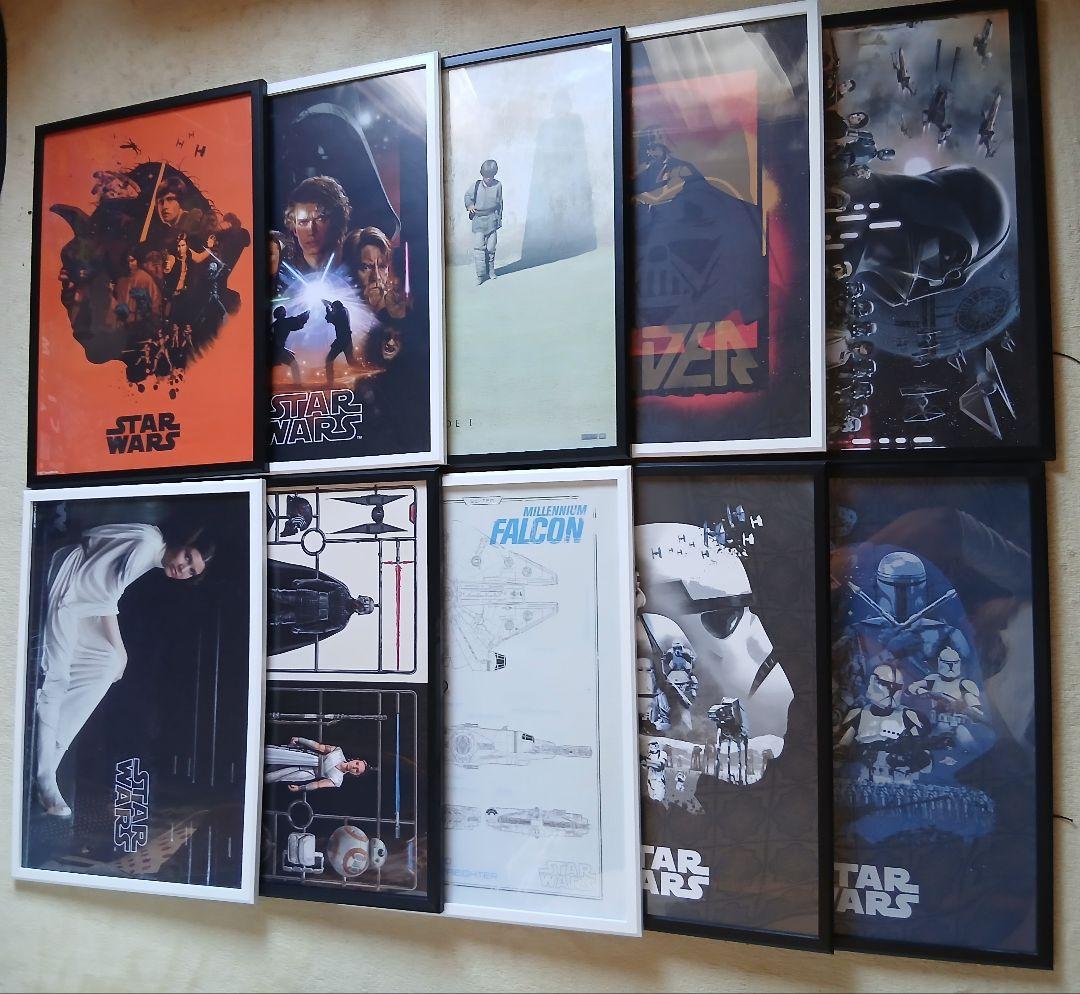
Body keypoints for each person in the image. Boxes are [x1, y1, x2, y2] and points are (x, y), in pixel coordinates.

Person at [34, 524, 214, 817]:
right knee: (60, 676)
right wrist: (122, 652)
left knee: (105, 664)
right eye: (187, 556)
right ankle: (45, 776)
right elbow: (105, 595)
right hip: (68, 587)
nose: (183, 568)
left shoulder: (152, 553)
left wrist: (116, 656)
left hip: (84, 600)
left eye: (191, 571)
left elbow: (104, 596)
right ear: (183, 541)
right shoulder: (146, 544)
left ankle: (49, 756)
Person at [268, 568, 375, 653]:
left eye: (363, 608)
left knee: (277, 618)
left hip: (304, 616)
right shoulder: (343, 591)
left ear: (360, 613)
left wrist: (302, 629)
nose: (360, 605)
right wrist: (303, 582)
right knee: (276, 594)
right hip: (304, 597)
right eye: (363, 601)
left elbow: (321, 628)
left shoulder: (342, 621)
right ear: (361, 596)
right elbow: (321, 583)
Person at [283, 175, 351, 274]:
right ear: (294, 230)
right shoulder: (284, 274)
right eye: (303, 222)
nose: (311, 230)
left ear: (336, 222)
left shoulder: (357, 267)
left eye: (320, 219)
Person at [342, 226, 407, 320]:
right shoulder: (338, 310)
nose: (376, 277)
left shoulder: (398, 311)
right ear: (350, 269)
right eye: (367, 267)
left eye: (382, 266)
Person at [264, 736, 368, 792]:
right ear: (355, 760)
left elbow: (318, 785)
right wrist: (300, 739)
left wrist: (301, 788)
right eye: (357, 763)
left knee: (276, 776)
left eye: (357, 770)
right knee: (276, 754)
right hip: (308, 758)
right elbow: (318, 746)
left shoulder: (338, 780)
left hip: (309, 773)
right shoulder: (338, 752)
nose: (354, 767)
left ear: (356, 774)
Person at [465, 159, 502, 285]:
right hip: (479, 221)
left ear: (494, 174)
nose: (488, 179)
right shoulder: (476, 186)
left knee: (491, 248)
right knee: (479, 249)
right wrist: (470, 205)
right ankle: (480, 276)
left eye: (491, 176)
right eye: (486, 176)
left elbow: (500, 203)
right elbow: (467, 197)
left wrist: (499, 220)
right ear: (482, 174)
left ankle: (491, 271)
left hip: (492, 219)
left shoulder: (498, 185)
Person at [270, 306, 309, 385]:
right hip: (278, 350)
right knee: (294, 364)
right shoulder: (285, 322)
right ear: (281, 313)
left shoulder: (274, 325)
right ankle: (297, 384)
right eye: (283, 310)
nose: (285, 311)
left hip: (272, 349)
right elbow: (298, 322)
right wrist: (306, 314)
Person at [323, 299, 356, 385]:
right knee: (351, 361)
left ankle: (330, 383)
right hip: (347, 340)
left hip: (341, 341)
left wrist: (327, 307)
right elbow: (334, 313)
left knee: (329, 360)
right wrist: (330, 304)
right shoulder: (344, 310)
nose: (333, 310)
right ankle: (363, 375)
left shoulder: (340, 313)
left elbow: (330, 318)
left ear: (335, 307)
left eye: (333, 308)